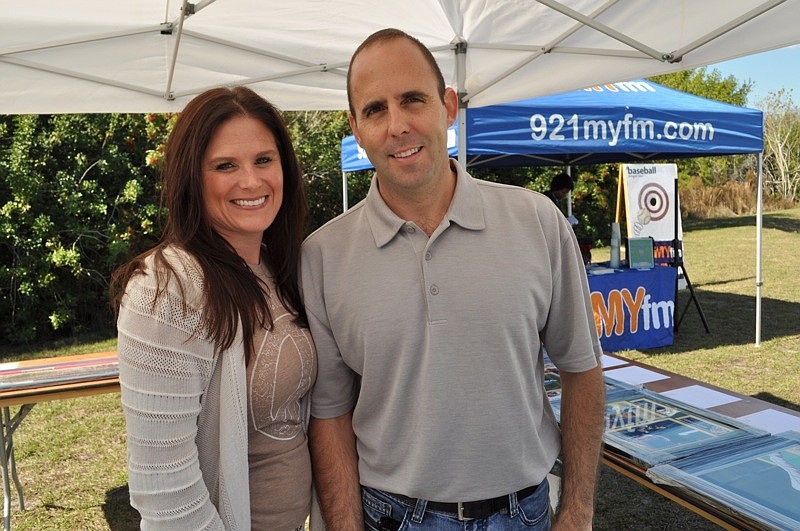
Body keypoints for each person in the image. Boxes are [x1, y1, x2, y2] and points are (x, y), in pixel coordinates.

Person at [300, 28, 605, 530]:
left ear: (447, 107)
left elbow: (582, 369)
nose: (397, 126)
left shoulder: (537, 222)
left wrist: (577, 511)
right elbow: (329, 415)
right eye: (375, 110)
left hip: (524, 513)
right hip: (392, 517)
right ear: (356, 128)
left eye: (412, 100)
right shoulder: (323, 256)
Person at [110, 86, 316, 530]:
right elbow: (164, 490)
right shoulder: (165, 290)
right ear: (191, 178)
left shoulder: (279, 268)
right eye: (226, 165)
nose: (251, 181)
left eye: (264, 160)